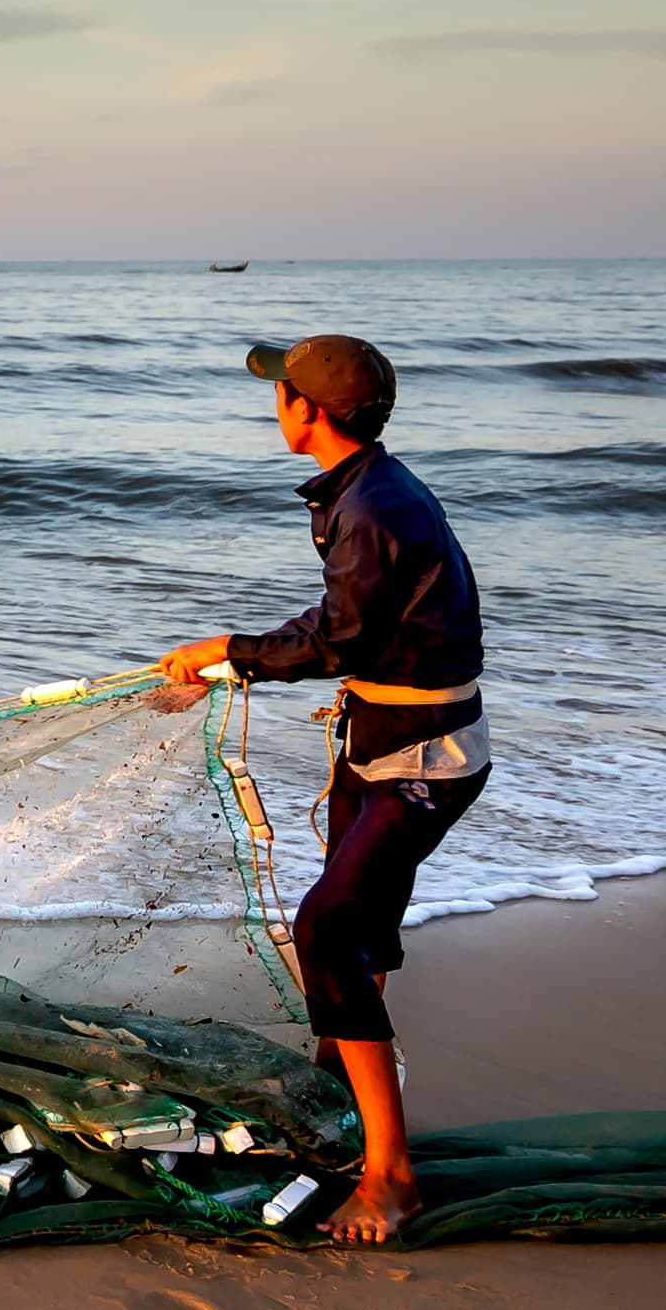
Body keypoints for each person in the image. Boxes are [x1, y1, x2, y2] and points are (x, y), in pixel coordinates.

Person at [150, 333, 487, 1246]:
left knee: (329, 929)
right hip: (375, 741)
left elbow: (336, 637)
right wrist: (238, 654)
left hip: (423, 761)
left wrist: (232, 653)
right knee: (358, 930)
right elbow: (356, 624)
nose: (275, 403)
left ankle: (392, 1175)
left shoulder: (373, 506)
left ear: (309, 412)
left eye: (282, 390)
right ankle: (340, 1113)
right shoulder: (361, 488)